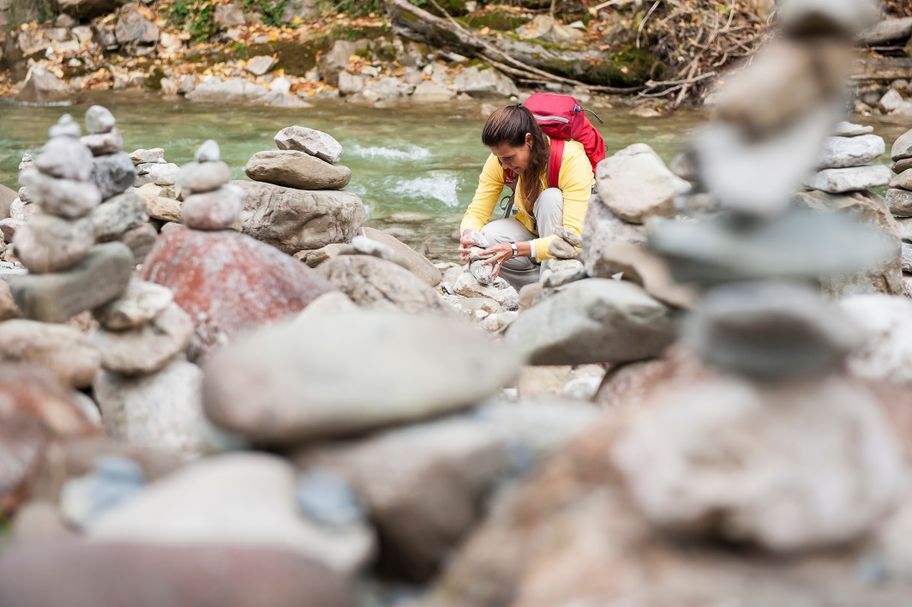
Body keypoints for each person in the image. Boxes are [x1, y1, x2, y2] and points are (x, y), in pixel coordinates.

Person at [458, 104, 595, 290]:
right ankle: (539, 286)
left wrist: (515, 249)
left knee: (550, 199)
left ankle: (556, 282)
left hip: (575, 251)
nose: (503, 165)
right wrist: (468, 234)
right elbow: (477, 212)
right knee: (487, 236)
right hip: (533, 236)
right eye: (498, 157)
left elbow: (573, 241)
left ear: (528, 140)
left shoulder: (571, 159)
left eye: (509, 158)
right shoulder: (500, 160)